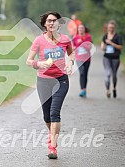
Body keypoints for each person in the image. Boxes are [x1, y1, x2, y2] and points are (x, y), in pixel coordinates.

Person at [26, 11, 74, 159]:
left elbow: (71, 53)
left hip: (61, 80)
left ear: (58, 23)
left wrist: (70, 63)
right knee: (47, 116)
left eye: (54, 21)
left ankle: (52, 147)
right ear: (45, 24)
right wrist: (39, 63)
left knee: (54, 113)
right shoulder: (39, 41)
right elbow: (28, 61)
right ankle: (52, 132)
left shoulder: (65, 40)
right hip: (44, 81)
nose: (52, 23)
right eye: (49, 21)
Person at [101, 20, 123, 98]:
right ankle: (107, 90)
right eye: (110, 27)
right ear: (108, 27)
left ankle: (114, 88)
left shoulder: (118, 36)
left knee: (114, 75)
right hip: (106, 57)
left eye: (112, 27)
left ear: (114, 28)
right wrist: (103, 47)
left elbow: (120, 47)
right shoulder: (105, 36)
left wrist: (111, 43)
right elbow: (102, 46)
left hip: (115, 58)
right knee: (108, 74)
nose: (111, 29)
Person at [73, 24, 93, 97]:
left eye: (82, 28)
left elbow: (89, 47)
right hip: (79, 58)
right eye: (79, 28)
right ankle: (82, 90)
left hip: (87, 59)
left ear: (84, 29)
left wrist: (81, 42)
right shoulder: (75, 37)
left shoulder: (88, 36)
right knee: (81, 73)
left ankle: (84, 89)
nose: (81, 29)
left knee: (85, 74)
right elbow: (73, 47)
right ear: (78, 30)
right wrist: (75, 47)